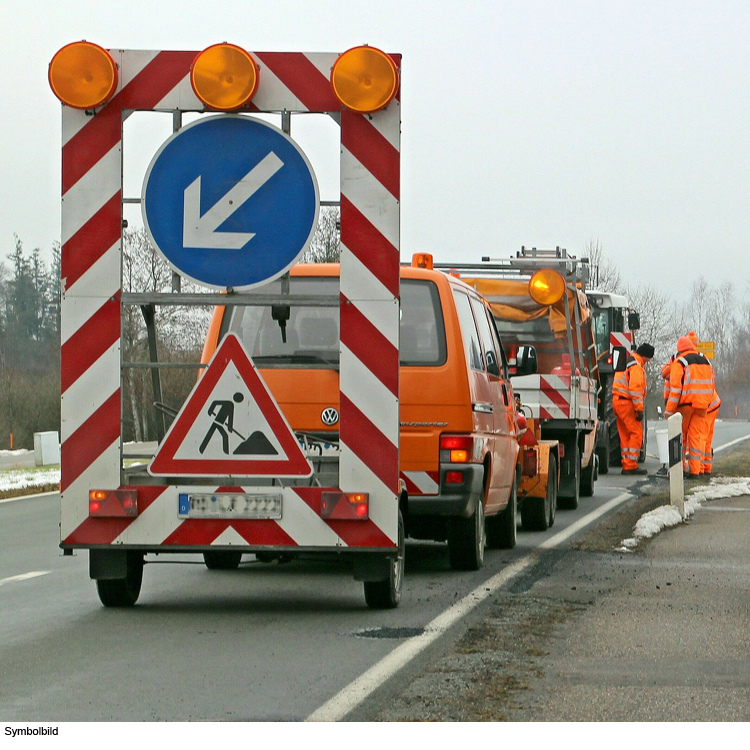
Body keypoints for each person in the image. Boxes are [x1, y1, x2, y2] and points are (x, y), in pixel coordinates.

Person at [664, 336, 715, 478]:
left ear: (679, 349)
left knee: (681, 437)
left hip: (685, 405)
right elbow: (712, 383)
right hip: (703, 405)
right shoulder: (706, 360)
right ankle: (695, 471)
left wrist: (669, 410)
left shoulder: (679, 362)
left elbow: (675, 390)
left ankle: (679, 469)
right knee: (696, 437)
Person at [613, 342, 654, 475]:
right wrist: (639, 409)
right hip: (627, 403)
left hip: (617, 401)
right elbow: (635, 388)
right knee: (636, 434)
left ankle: (626, 464)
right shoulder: (636, 366)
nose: (648, 362)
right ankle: (630, 465)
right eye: (649, 359)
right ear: (646, 356)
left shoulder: (627, 362)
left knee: (625, 434)